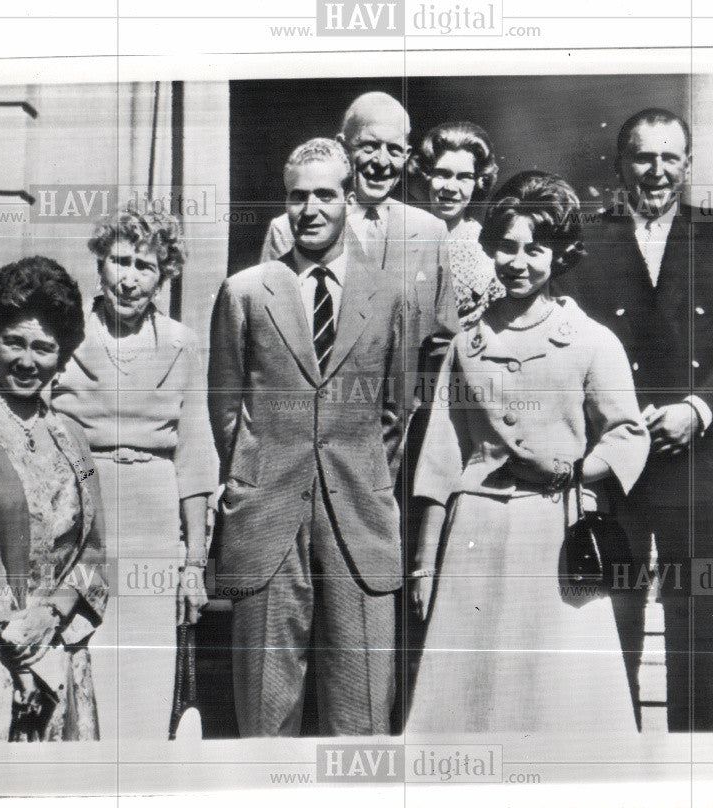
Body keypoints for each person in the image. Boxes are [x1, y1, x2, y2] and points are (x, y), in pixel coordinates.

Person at [405, 171, 649, 734]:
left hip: (556, 532)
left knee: (552, 689)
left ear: (560, 254)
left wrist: (571, 470)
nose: (518, 262)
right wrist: (424, 563)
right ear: (490, 248)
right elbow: (442, 455)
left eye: (534, 249)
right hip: (477, 536)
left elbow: (627, 434)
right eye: (506, 247)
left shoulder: (589, 339)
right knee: (471, 692)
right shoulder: (466, 345)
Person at [555, 109, 713, 731]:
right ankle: (614, 755)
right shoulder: (587, 238)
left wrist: (696, 409)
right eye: (642, 158)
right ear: (621, 165)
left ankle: (695, 756)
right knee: (609, 612)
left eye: (669, 158)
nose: (656, 172)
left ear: (688, 165)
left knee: (700, 610)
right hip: (615, 464)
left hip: (699, 459)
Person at [208, 138, 404, 736]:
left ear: (350, 199)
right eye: (297, 196)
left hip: (359, 520)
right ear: (284, 206)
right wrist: (248, 479)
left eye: (325, 194)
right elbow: (225, 404)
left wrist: (367, 479)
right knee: (267, 712)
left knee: (362, 708)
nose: (311, 209)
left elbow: (395, 411)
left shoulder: (388, 293)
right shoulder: (246, 291)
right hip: (266, 514)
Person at [53, 209, 218, 741]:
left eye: (144, 266)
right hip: (80, 523)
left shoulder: (181, 343)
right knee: (82, 666)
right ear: (100, 265)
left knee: (145, 681)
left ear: (163, 274)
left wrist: (193, 564)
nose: (128, 278)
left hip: (154, 520)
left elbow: (195, 452)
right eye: (119, 262)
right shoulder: (64, 337)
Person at [0, 257, 107, 742]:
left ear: (63, 355)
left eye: (44, 347)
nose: (28, 360)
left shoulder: (76, 439)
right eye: (14, 341)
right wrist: (22, 656)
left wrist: (52, 615)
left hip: (58, 644)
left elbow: (94, 547)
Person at [260, 91, 457, 387]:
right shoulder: (288, 230)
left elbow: (443, 339)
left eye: (394, 150)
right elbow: (268, 337)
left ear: (406, 155)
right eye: (369, 146)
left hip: (402, 420)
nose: (381, 162)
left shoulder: (430, 232)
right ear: (342, 146)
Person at [410, 120, 505, 327]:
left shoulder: (486, 252)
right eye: (442, 174)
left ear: (478, 183)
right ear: (426, 175)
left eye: (464, 177)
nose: (451, 187)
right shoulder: (402, 233)